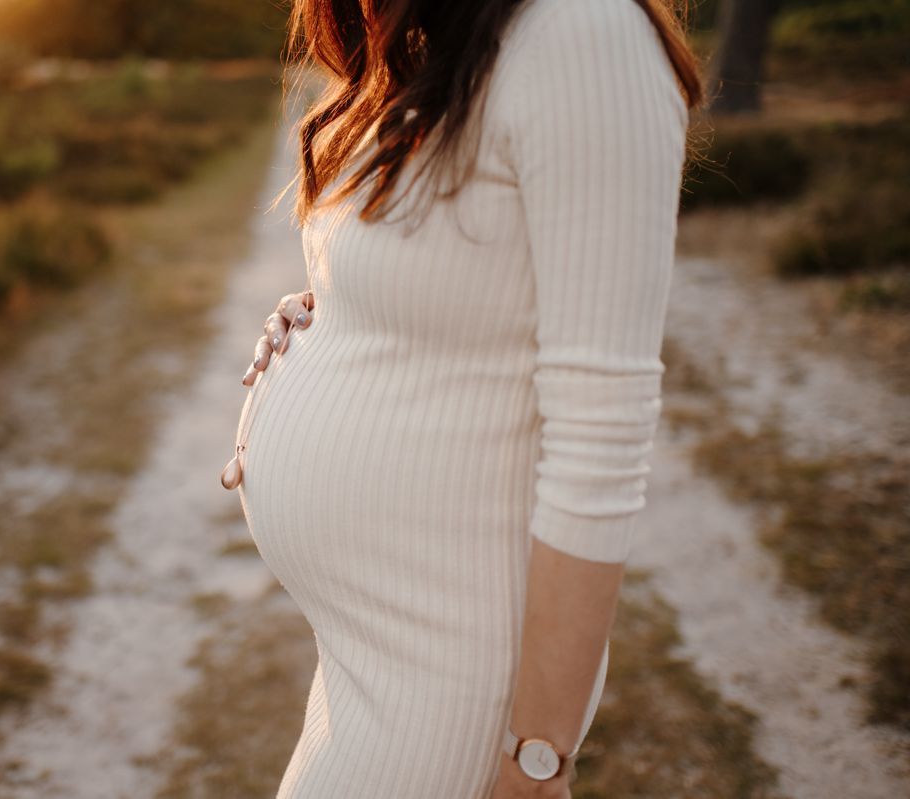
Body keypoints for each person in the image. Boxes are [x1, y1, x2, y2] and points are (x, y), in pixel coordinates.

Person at [228, 0, 704, 796]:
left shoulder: (587, 37)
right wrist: (340, 311)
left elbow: (601, 441)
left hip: (451, 680)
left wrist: (534, 759)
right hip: (368, 656)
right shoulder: (443, 39)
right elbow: (456, 274)